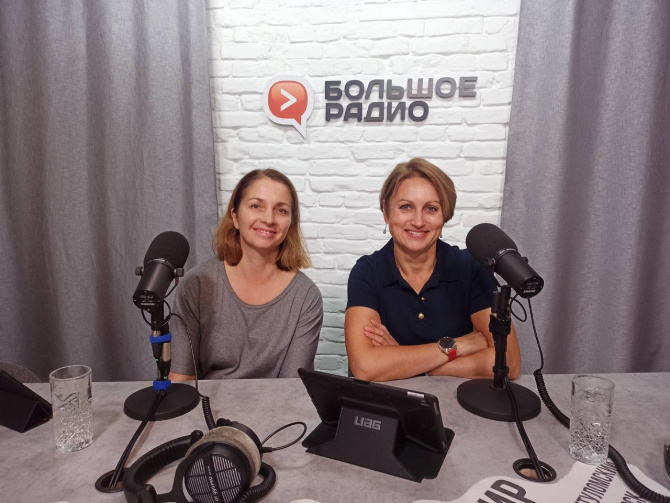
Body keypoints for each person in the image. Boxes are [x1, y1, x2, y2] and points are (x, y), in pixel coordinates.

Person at [345, 158, 521, 382]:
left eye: (431, 208)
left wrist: (406, 364)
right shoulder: (367, 272)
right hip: (388, 400)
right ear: (386, 212)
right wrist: (457, 346)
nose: (418, 221)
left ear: (445, 214)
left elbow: (509, 363)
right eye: (405, 207)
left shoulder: (470, 266)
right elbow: (365, 367)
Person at [169, 169, 323, 380]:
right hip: (205, 401)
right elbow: (181, 379)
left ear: (291, 224)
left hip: (276, 401)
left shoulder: (305, 296)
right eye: (256, 206)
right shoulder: (196, 284)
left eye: (281, 210)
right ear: (235, 216)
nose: (269, 219)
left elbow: (292, 386)